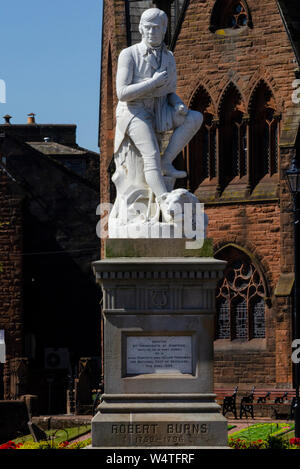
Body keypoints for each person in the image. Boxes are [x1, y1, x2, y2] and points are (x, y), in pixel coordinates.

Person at [114, 7, 203, 210]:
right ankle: (165, 202)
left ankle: (167, 162)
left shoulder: (168, 57)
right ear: (141, 29)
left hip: (160, 108)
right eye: (148, 28)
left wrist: (177, 104)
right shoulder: (129, 55)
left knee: (194, 118)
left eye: (157, 28)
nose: (152, 32)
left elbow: (170, 90)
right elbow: (122, 93)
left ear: (164, 30)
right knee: (151, 154)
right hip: (134, 111)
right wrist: (151, 84)